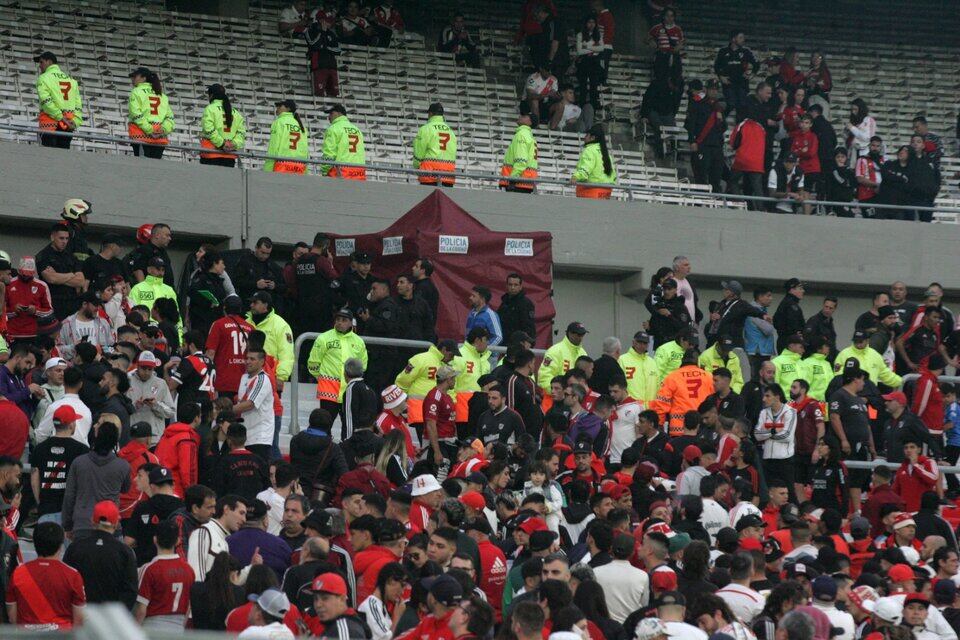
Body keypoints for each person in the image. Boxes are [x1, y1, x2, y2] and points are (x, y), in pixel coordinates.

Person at [5, 521, 84, 629]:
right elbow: (79, 619)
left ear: (35, 543)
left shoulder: (18, 573)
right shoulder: (73, 575)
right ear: (61, 546)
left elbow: (12, 617)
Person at [61, 422, 130, 542]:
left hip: (82, 523)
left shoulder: (79, 462)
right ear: (115, 441)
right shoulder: (123, 466)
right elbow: (125, 488)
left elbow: (69, 496)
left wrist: (67, 524)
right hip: (110, 524)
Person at [63, 500, 138, 608]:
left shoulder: (75, 547)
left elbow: (66, 584)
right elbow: (130, 591)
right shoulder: (124, 551)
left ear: (92, 521)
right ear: (116, 524)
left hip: (82, 616)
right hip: (112, 618)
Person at [134, 520, 196, 630]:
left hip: (153, 628)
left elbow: (141, 609)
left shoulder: (149, 569)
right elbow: (188, 607)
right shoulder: (189, 570)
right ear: (178, 541)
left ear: (155, 539)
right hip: (178, 628)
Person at [308, 309, 368, 418]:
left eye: (344, 320)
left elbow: (362, 366)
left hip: (349, 390)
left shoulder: (359, 342)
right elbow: (313, 362)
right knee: (325, 424)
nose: (340, 322)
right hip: (328, 390)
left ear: (351, 323)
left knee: (349, 426)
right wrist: (320, 377)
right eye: (338, 319)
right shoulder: (324, 338)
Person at [651, 349, 714, 437]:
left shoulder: (672, 377)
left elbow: (661, 403)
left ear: (682, 360)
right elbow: (715, 401)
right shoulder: (709, 377)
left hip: (679, 429)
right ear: (697, 361)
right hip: (703, 428)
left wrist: (659, 424)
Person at [685, 79, 726, 194]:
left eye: (716, 90)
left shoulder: (718, 107)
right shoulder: (697, 103)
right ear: (706, 89)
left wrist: (720, 120)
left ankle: (716, 201)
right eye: (712, 89)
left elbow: (724, 127)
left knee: (716, 176)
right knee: (701, 175)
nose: (714, 92)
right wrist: (692, 141)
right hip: (702, 145)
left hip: (716, 146)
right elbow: (690, 123)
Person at [34, 51, 82, 148]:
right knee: (63, 160)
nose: (39, 66)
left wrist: (60, 117)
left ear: (49, 62)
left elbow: (46, 102)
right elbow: (78, 105)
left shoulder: (43, 78)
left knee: (49, 159)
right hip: (67, 127)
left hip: (49, 126)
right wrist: (76, 121)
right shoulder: (72, 81)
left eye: (41, 62)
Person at [127, 67, 174, 159]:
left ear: (143, 78)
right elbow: (170, 118)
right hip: (160, 140)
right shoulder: (161, 95)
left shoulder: (136, 92)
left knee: (143, 169)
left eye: (135, 76)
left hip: (141, 138)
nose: (133, 79)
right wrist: (162, 130)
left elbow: (136, 114)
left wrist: (149, 130)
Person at [310, 572, 371, 638]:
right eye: (316, 599)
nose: (318, 605)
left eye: (325, 598)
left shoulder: (345, 629)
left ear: (342, 599)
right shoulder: (337, 626)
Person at [714, 30, 759, 121]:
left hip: (742, 84)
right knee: (730, 104)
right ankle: (718, 121)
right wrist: (721, 76)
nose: (743, 40)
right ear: (734, 39)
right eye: (740, 37)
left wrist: (752, 74)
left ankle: (739, 128)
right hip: (729, 83)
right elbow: (716, 66)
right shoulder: (723, 51)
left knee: (742, 107)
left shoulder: (746, 51)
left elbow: (757, 64)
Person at [200, 83, 246, 167]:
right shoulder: (236, 113)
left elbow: (208, 129)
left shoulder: (210, 109)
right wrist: (233, 144)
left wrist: (222, 144)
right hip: (229, 157)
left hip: (211, 155)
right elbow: (241, 134)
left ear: (211, 95)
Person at [412, 102, 457, 186]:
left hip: (429, 175)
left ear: (430, 114)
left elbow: (419, 153)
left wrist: (417, 166)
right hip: (448, 176)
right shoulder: (451, 132)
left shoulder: (425, 129)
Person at [728, 113, 766, 206]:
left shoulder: (741, 125)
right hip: (757, 162)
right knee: (757, 187)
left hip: (742, 159)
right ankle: (760, 209)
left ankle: (739, 203)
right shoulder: (761, 127)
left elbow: (734, 142)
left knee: (733, 180)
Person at [500, 104, 539, 193]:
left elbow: (521, 159)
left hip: (517, 183)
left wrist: (513, 178)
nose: (520, 116)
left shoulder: (521, 135)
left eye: (524, 116)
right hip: (527, 181)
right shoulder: (530, 137)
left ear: (530, 122)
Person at [320, 104, 366, 180]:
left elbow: (329, 153)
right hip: (359, 172)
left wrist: (325, 171)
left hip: (340, 172)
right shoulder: (357, 130)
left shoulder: (333, 129)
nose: (329, 117)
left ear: (339, 113)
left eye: (331, 113)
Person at [572, 124, 616, 198]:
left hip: (591, 190)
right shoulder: (605, 152)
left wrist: (575, 177)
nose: (584, 137)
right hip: (606, 191)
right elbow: (613, 173)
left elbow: (586, 168)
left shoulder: (589, 150)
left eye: (587, 135)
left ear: (593, 137)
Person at [264, 100, 309, 174]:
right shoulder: (301, 126)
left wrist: (267, 170)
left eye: (280, 106)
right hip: (300, 167)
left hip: (282, 165)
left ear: (288, 108)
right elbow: (305, 149)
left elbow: (273, 147)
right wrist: (306, 171)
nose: (277, 108)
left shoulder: (279, 122)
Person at [305, 14, 341, 97]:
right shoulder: (311, 31)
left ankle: (333, 108)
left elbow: (338, 50)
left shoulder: (332, 34)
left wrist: (325, 48)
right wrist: (322, 32)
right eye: (327, 21)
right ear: (321, 21)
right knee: (319, 92)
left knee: (334, 93)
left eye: (331, 21)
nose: (330, 23)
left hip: (332, 66)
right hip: (318, 65)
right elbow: (313, 44)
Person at [845, 98, 877, 165]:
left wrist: (852, 128)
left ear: (861, 109)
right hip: (852, 153)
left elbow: (868, 138)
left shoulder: (869, 120)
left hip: (864, 153)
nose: (853, 112)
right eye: (852, 110)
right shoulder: (853, 121)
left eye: (855, 109)